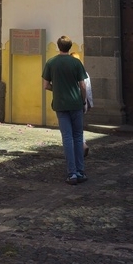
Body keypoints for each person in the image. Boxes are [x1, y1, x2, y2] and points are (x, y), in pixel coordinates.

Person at [43, 35, 88, 185]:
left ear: (58, 46)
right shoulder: (76, 63)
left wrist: (57, 89)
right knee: (78, 136)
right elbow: (82, 85)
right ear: (70, 47)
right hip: (75, 103)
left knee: (67, 138)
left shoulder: (51, 62)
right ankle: (81, 171)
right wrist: (83, 100)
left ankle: (72, 173)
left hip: (60, 104)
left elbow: (46, 85)